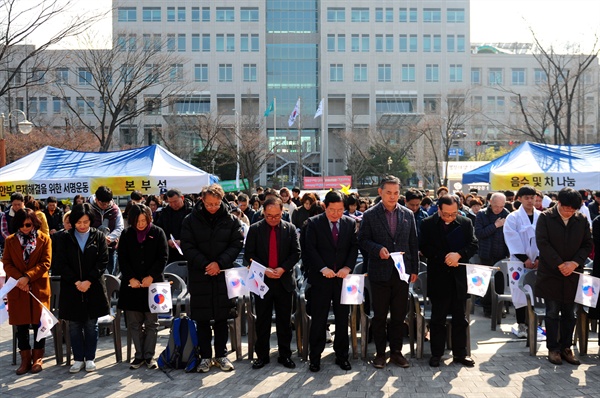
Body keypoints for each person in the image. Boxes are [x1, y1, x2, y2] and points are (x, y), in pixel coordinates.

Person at [180, 184, 244, 373]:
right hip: (201, 274)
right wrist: (205, 264)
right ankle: (205, 356)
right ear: (202, 200)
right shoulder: (190, 220)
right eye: (209, 204)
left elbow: (237, 243)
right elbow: (188, 246)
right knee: (202, 318)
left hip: (223, 274)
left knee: (222, 317)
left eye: (216, 204)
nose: (213, 207)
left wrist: (220, 263)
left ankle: (221, 355)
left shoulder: (231, 220)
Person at [358, 175, 419, 369]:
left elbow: (413, 243)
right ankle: (380, 353)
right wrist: (377, 249)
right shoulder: (370, 215)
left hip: (402, 273)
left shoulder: (407, 214)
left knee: (399, 315)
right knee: (380, 316)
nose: (392, 197)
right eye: (388, 193)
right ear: (380, 192)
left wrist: (414, 269)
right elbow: (362, 240)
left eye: (396, 193)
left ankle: (397, 352)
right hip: (379, 272)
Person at [535, 187, 592, 366]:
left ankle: (567, 348)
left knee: (570, 313)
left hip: (573, 274)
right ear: (558, 203)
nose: (569, 212)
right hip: (551, 273)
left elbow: (587, 245)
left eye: (573, 209)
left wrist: (574, 263)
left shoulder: (581, 220)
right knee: (552, 313)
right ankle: (553, 349)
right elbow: (542, 243)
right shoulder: (545, 217)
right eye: (566, 208)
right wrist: (560, 264)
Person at [420, 195, 478, 368]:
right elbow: (424, 247)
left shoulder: (465, 222)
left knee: (461, 318)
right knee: (438, 319)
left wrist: (459, 254)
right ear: (439, 209)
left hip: (459, 277)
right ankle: (437, 353)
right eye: (446, 214)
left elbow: (473, 244)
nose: (450, 217)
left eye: (453, 214)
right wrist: (444, 257)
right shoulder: (427, 223)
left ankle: (460, 353)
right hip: (438, 276)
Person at [244, 196, 301, 370]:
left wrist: (283, 268)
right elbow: (249, 255)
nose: (273, 219)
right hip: (263, 281)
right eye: (269, 216)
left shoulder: (289, 229)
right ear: (263, 213)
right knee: (262, 320)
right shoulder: (255, 229)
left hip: (284, 281)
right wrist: (264, 269)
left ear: (282, 212)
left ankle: (285, 355)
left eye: (276, 216)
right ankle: (262, 355)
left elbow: (296, 253)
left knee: (285, 321)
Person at [304, 191, 358, 372]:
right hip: (321, 279)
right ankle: (315, 357)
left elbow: (353, 248)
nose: (336, 214)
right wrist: (322, 268)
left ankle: (342, 355)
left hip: (343, 278)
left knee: (343, 319)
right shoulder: (314, 223)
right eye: (332, 210)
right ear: (325, 207)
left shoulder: (350, 223)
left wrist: (347, 268)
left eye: (340, 210)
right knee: (319, 319)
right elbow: (309, 249)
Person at [57, 203, 110, 373]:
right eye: (79, 222)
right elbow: (61, 263)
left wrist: (88, 280)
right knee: (74, 325)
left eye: (85, 222)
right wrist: (76, 281)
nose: (82, 225)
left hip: (93, 287)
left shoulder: (98, 236)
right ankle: (78, 358)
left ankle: (90, 358)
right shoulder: (65, 237)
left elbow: (103, 261)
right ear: (73, 222)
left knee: (90, 324)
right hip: (72, 288)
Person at [117, 204, 168, 370]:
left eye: (144, 220)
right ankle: (138, 356)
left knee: (152, 323)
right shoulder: (126, 234)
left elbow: (163, 257)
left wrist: (151, 276)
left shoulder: (158, 232)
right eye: (137, 221)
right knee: (134, 323)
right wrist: (131, 278)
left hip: (152, 285)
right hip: (132, 286)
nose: (140, 224)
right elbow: (122, 259)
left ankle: (149, 356)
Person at [3, 208, 52, 375]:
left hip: (38, 287)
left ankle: (38, 356)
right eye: (21, 225)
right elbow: (7, 263)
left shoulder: (44, 239)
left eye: (28, 225)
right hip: (18, 289)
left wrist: (28, 277)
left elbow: (46, 263)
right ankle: (25, 358)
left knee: (40, 323)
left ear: (34, 224)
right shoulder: (10, 241)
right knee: (21, 324)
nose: (25, 228)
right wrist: (20, 279)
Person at [503, 186, 540, 338]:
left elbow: (544, 238)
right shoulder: (513, 217)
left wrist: (538, 257)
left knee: (536, 292)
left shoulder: (541, 216)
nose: (530, 201)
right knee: (519, 292)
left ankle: (535, 324)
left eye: (532, 198)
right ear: (520, 199)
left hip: (537, 260)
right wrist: (524, 259)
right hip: (519, 261)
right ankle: (521, 324)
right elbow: (512, 238)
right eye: (527, 198)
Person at [474, 192, 509, 317]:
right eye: (495, 206)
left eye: (501, 206)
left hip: (501, 255)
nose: (498, 209)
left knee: (500, 283)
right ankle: (488, 309)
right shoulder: (482, 214)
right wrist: (495, 226)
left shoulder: (507, 215)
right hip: (486, 254)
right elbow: (479, 233)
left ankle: (499, 309)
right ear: (490, 203)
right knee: (487, 284)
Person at [89, 186, 124, 275]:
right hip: (91, 249)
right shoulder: (88, 208)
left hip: (110, 248)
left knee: (110, 276)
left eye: (107, 203)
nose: (105, 206)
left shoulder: (115, 209)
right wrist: (98, 238)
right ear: (96, 199)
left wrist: (109, 238)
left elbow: (120, 227)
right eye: (102, 204)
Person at [156, 189, 192, 263]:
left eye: (175, 201)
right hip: (170, 252)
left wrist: (183, 242)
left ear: (182, 198)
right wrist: (167, 240)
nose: (173, 205)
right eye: (170, 202)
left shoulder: (192, 212)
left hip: (189, 250)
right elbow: (159, 229)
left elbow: (197, 231)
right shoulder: (165, 212)